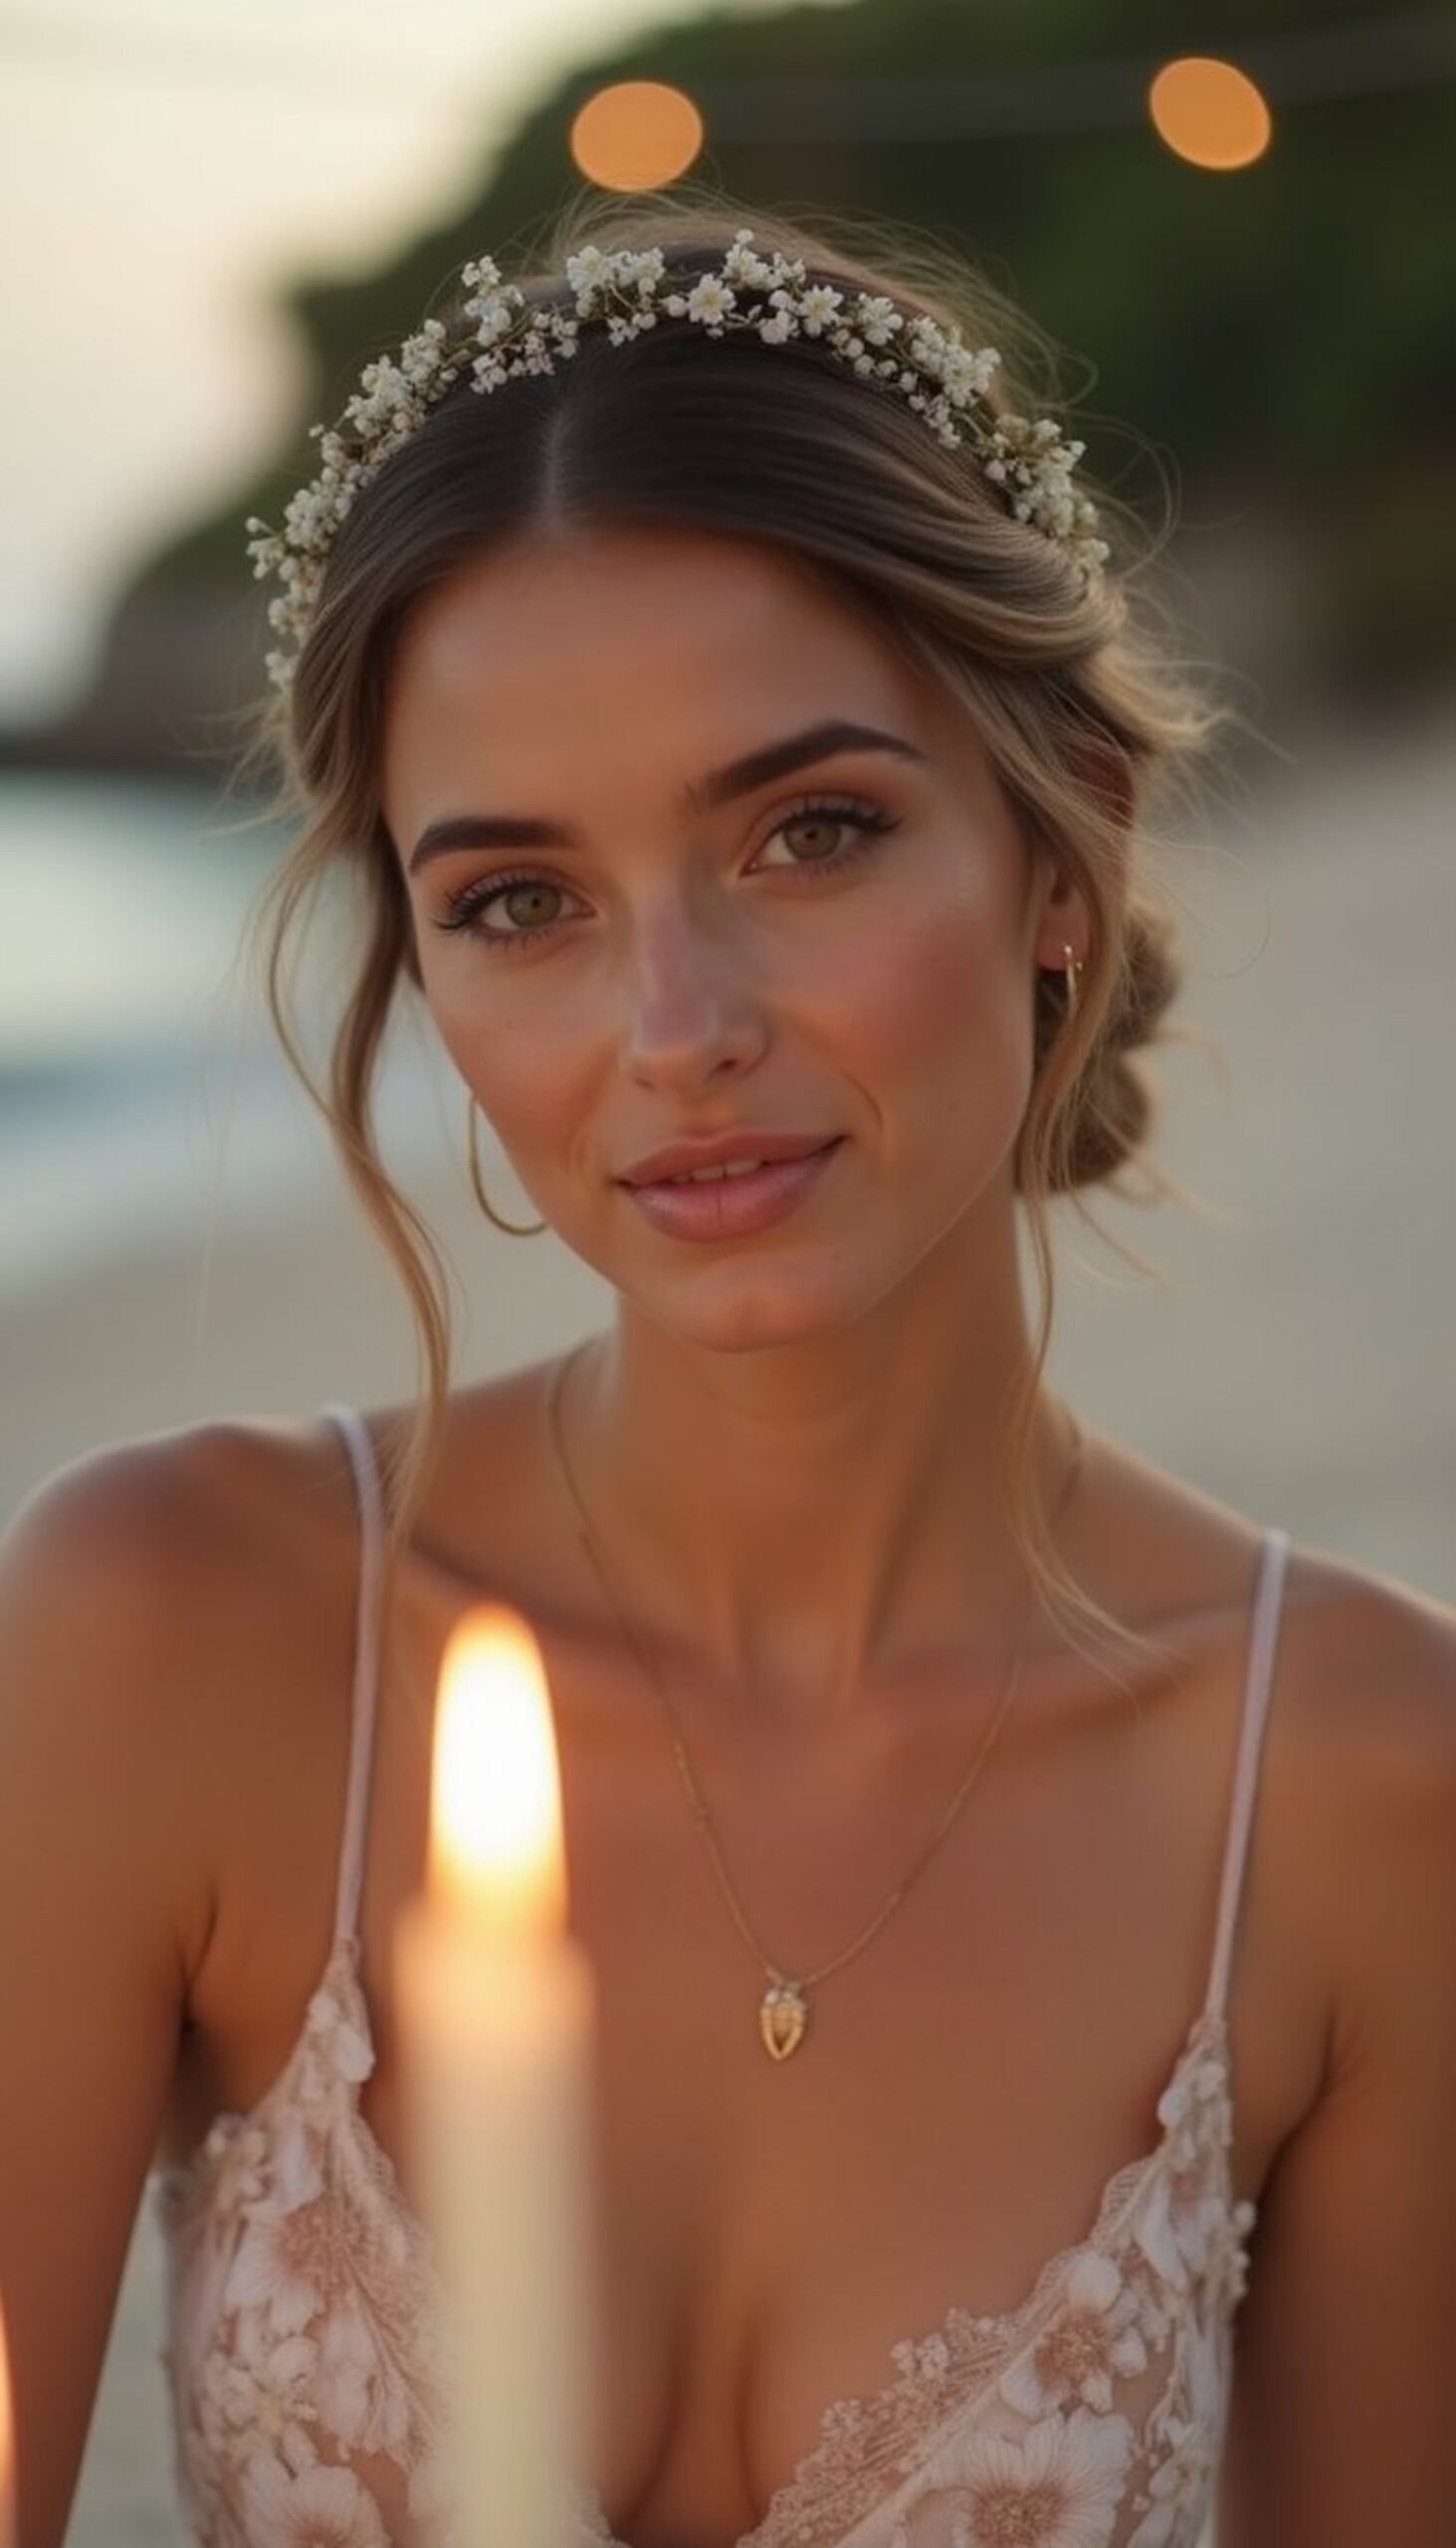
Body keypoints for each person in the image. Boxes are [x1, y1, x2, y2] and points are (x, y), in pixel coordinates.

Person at [2, 187, 1454, 2548]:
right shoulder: (169, 1629)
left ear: (1057, 848)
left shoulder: (1366, 1791)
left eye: (810, 832)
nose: (675, 1032)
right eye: (519, 902)